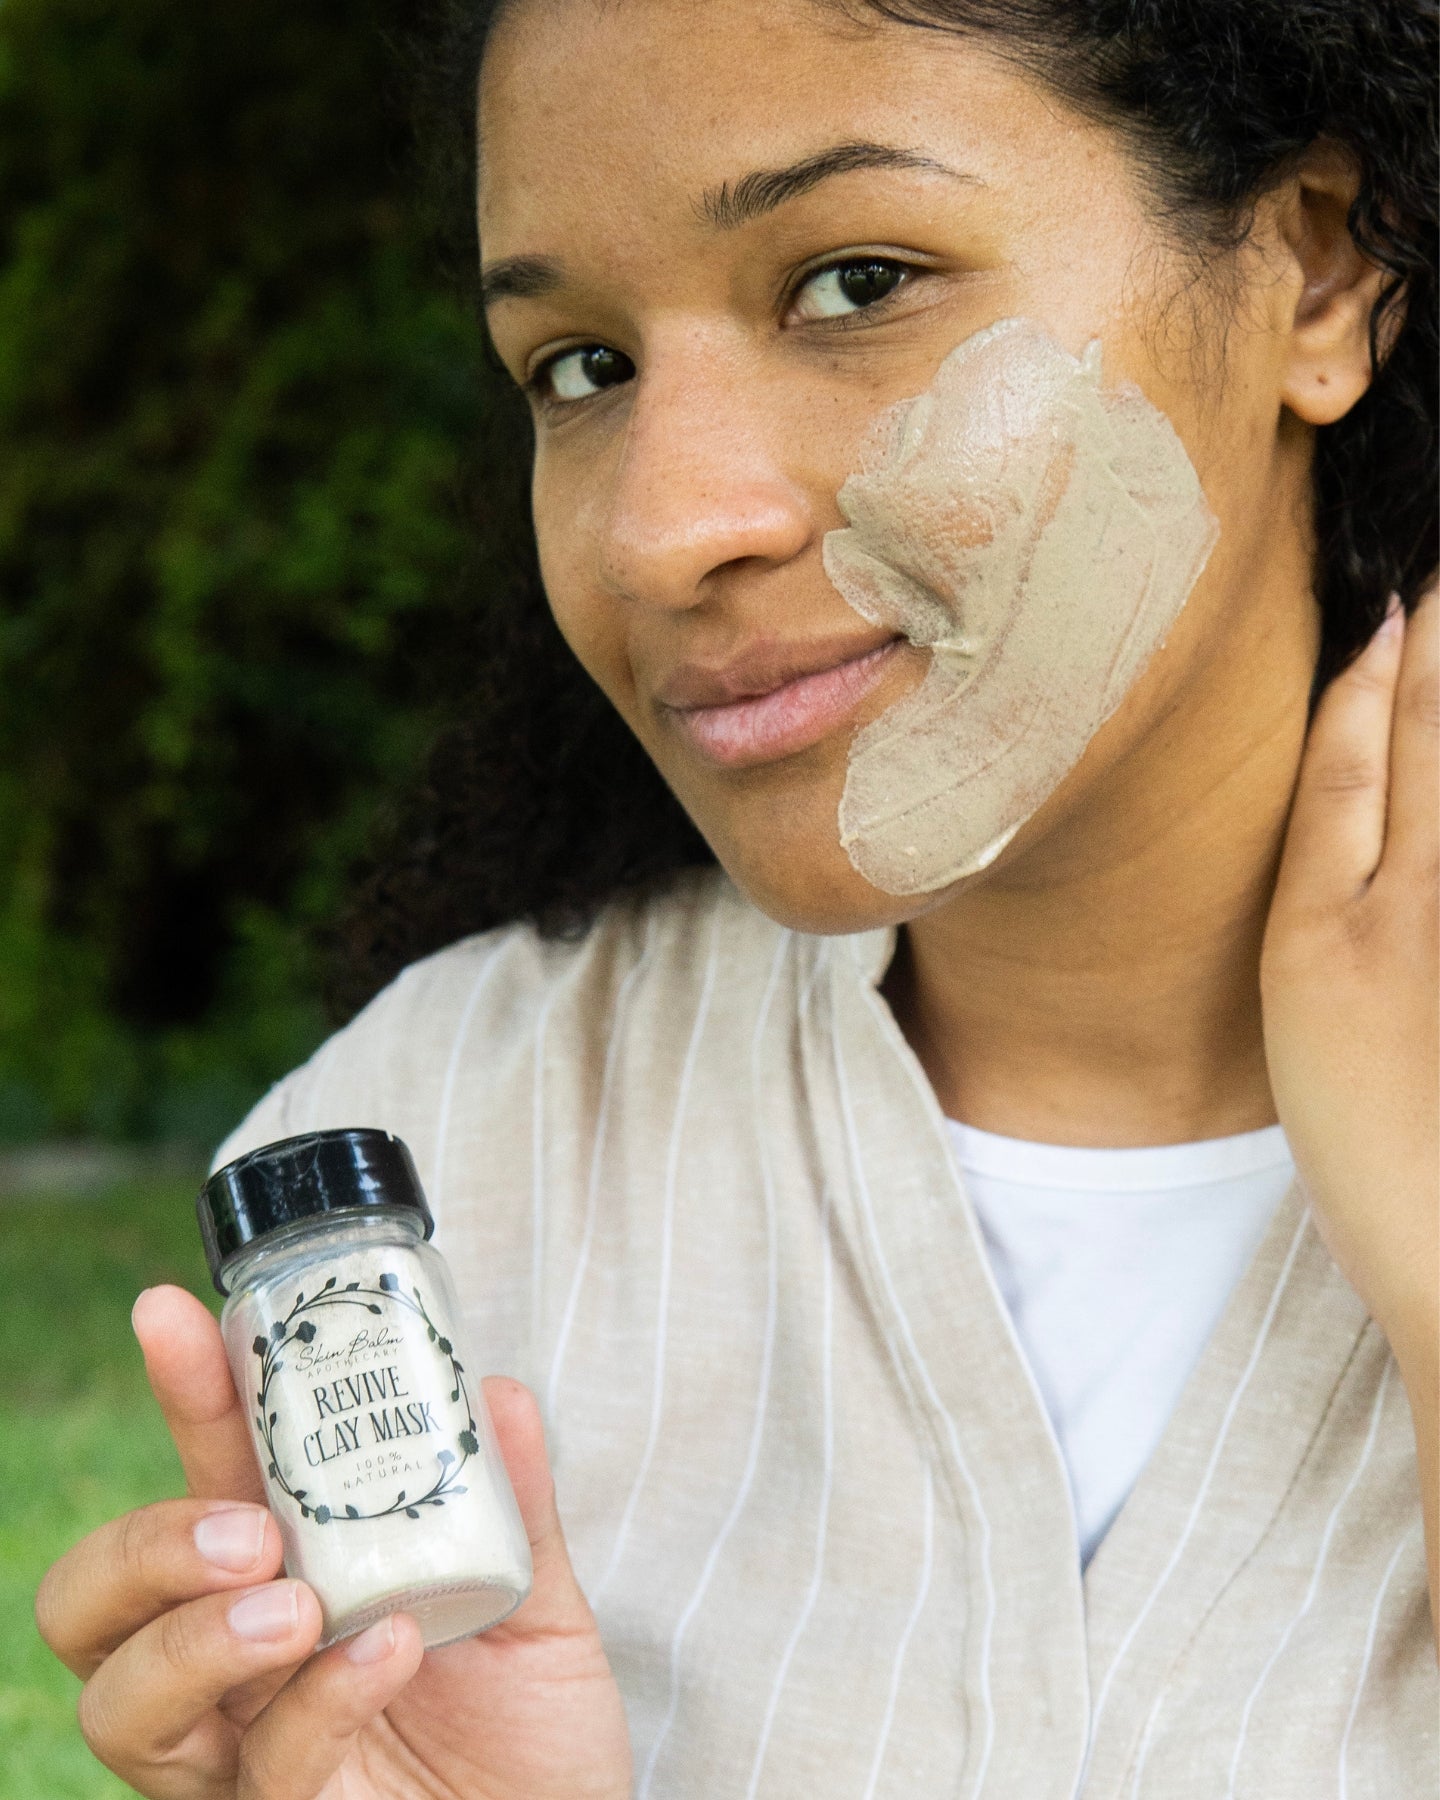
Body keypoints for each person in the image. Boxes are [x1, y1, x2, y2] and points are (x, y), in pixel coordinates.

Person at [36, 1, 1438, 1795]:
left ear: (1318, 274)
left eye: (856, 281)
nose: (657, 529)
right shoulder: (415, 1199)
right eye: (580, 371)